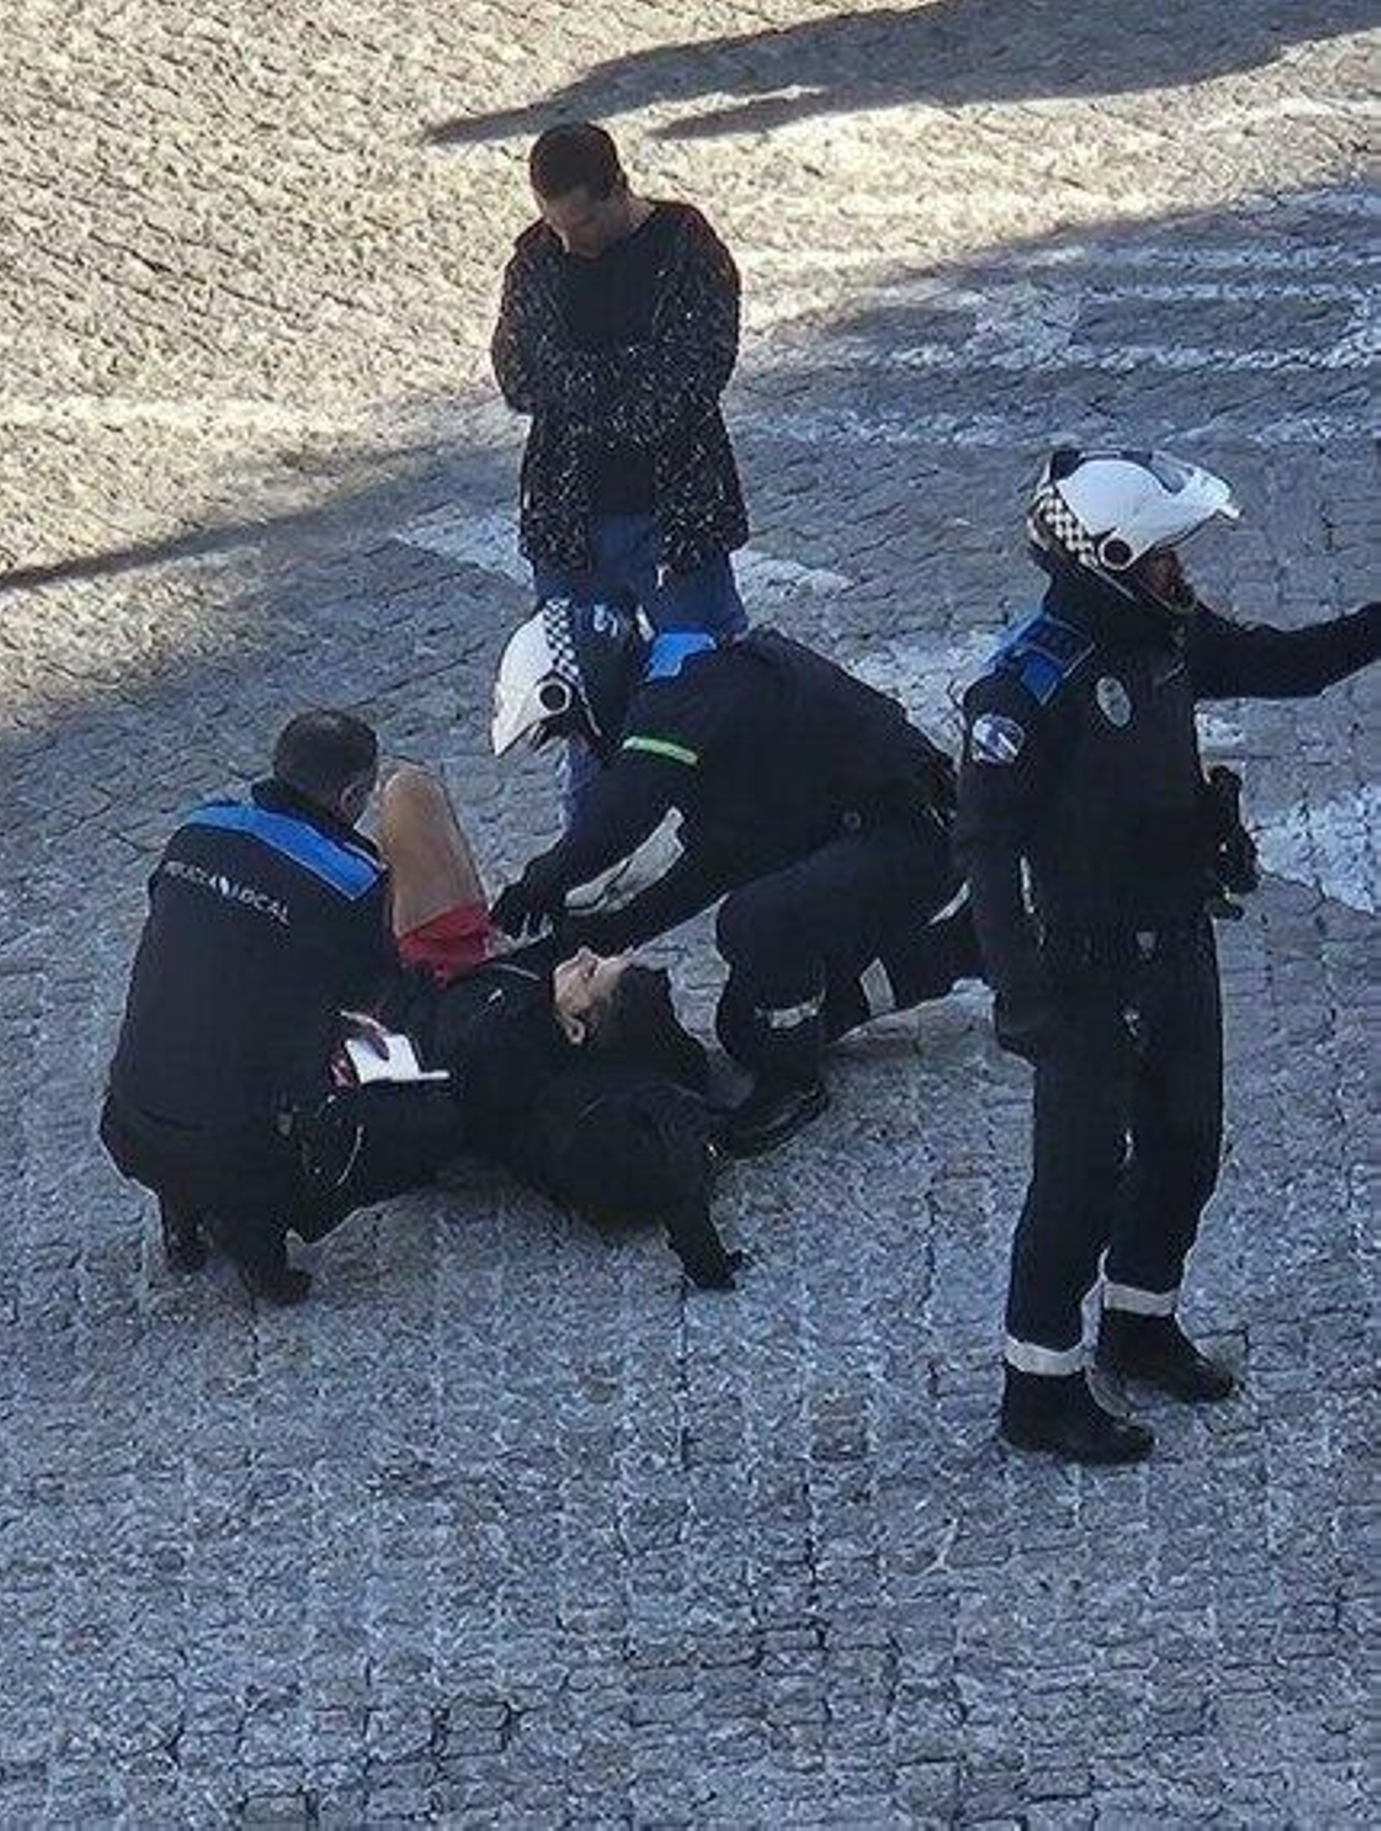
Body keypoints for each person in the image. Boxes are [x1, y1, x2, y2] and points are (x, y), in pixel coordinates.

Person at [957, 446, 1380, 1465]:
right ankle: (1039, 1385)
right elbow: (984, 846)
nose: (1180, 576)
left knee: (1187, 1143)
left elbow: (1291, 663)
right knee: (1078, 1179)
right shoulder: (1026, 687)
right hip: (1084, 963)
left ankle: (1139, 1321)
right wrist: (1019, 990)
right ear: (1107, 561)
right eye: (1161, 560)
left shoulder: (1165, 640)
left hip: (1175, 937)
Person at [488, 601, 979, 1157]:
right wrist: (598, 934)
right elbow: (716, 862)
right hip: (878, 837)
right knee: (745, 1029)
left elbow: (619, 817)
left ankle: (794, 1084)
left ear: (573, 689)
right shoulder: (692, 692)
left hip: (915, 835)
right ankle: (965, 946)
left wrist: (542, 879)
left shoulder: (687, 692)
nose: (578, 744)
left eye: (567, 730)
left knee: (760, 922)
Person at [372, 764, 741, 1289]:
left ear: (574, 1028)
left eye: (589, 972)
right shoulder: (627, 1046)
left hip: (414, 994)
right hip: (475, 978)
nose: (585, 956)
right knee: (411, 790)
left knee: (405, 794)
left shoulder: (501, 1047)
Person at [492, 121, 750, 816]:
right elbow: (518, 375)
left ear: (617, 190)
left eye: (580, 223)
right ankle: (591, 859)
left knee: (710, 688)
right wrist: (626, 376)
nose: (569, 242)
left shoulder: (686, 249)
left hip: (674, 520)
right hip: (567, 524)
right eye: (555, 225)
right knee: (580, 708)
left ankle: (730, 834)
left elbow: (686, 384)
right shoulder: (538, 258)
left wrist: (577, 386)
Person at [100, 711, 398, 1305]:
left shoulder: (197, 829)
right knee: (385, 1095)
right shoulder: (353, 878)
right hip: (240, 1147)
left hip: (131, 1114)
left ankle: (181, 1221)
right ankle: (261, 1252)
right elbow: (367, 995)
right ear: (352, 795)